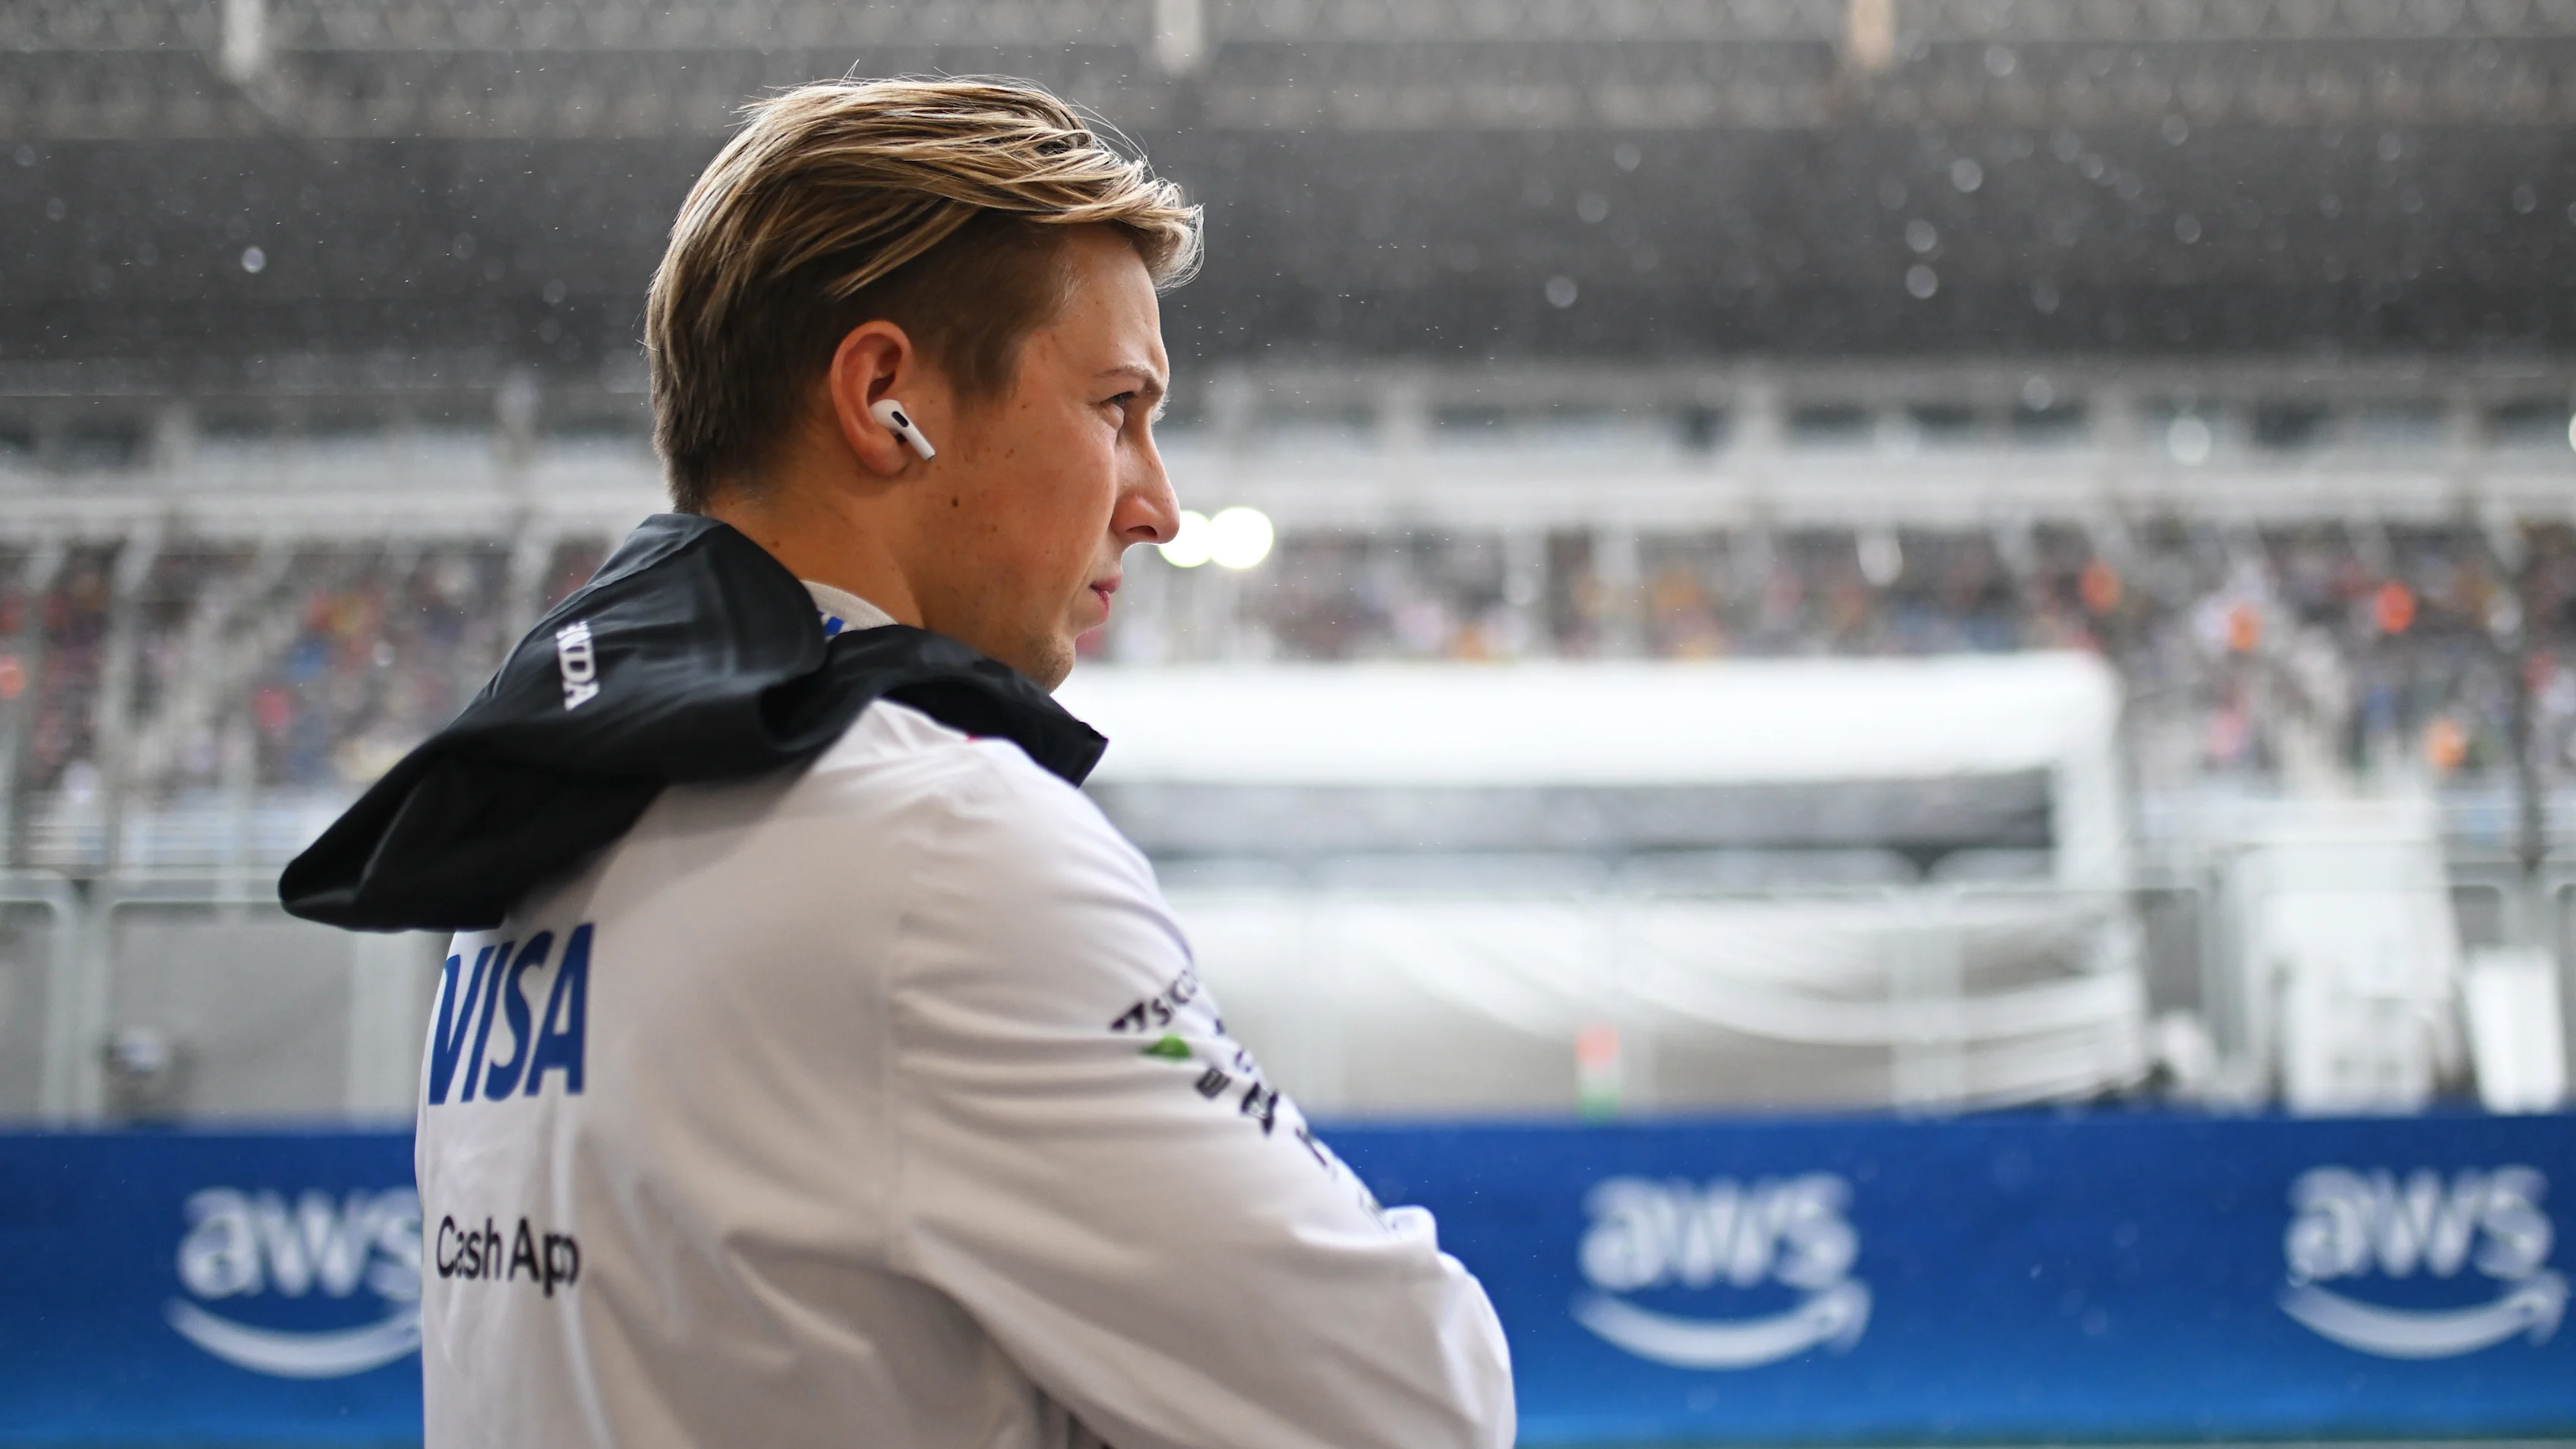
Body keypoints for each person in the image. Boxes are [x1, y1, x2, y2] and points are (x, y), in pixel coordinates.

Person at [280, 77, 1514, 1449]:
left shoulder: (538, 804)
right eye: (1118, 407)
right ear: (886, 399)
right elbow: (1416, 1404)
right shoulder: (936, 840)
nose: (1158, 503)